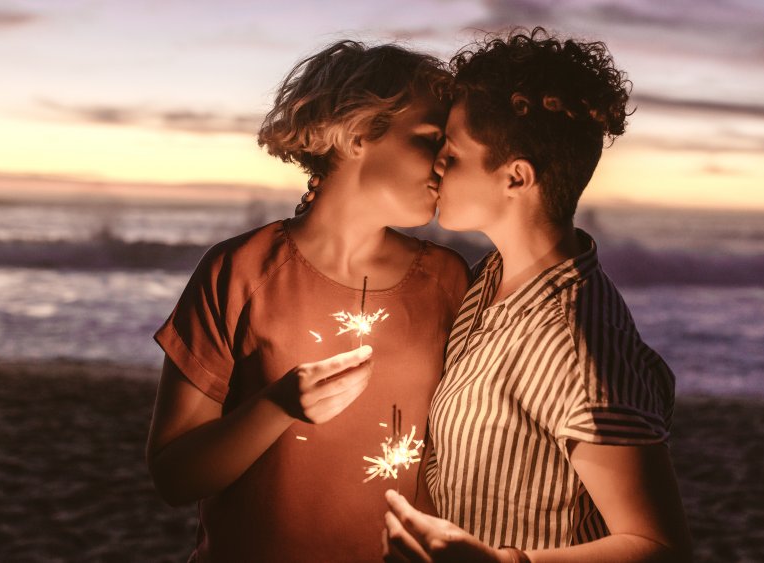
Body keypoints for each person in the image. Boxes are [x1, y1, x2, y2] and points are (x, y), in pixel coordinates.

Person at [146, 40, 470, 562]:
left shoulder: (448, 281)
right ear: (359, 132)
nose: (446, 162)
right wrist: (278, 406)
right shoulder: (241, 271)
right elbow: (174, 476)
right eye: (430, 139)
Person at [383, 29, 692, 562]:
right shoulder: (490, 277)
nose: (436, 166)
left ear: (516, 178)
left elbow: (659, 547)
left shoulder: (574, 343)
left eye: (452, 155)